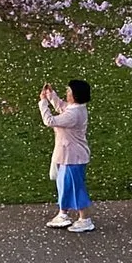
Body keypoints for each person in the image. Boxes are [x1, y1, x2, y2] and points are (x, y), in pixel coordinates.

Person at [38, 76, 93, 232]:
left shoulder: (74, 114)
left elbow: (50, 121)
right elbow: (62, 106)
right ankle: (63, 214)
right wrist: (51, 96)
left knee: (75, 187)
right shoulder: (74, 109)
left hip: (73, 157)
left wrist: (43, 103)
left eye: (68, 91)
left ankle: (85, 219)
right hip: (67, 155)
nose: (66, 93)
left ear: (75, 95)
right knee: (64, 185)